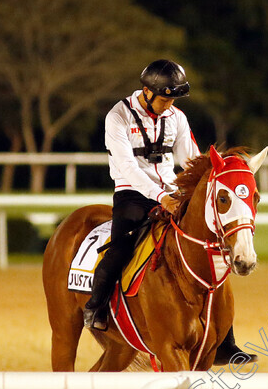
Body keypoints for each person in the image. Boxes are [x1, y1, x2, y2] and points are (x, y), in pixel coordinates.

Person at [83, 59, 255, 364]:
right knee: (121, 246)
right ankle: (96, 307)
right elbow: (126, 167)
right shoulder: (118, 117)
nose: (169, 104)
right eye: (165, 98)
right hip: (132, 194)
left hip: (173, 193)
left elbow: (191, 159)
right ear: (147, 91)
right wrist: (160, 196)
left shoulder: (176, 117)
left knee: (214, 251)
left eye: (174, 99)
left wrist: (199, 186)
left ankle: (224, 340)